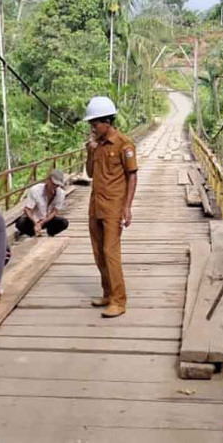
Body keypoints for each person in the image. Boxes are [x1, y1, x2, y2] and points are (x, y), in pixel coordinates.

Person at [84, 96, 138, 318]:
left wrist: (127, 207)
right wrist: (89, 151)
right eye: (92, 125)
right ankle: (107, 293)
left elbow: (132, 176)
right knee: (98, 252)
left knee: (110, 252)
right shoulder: (96, 146)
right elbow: (88, 173)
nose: (93, 128)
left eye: (95, 124)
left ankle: (119, 300)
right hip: (95, 204)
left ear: (107, 122)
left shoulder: (124, 144)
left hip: (114, 205)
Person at [15, 169, 69, 238]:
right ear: (48, 180)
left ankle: (51, 233)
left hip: (47, 220)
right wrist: (35, 222)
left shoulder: (60, 193)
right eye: (53, 184)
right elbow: (27, 209)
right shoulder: (35, 190)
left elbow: (55, 211)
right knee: (20, 223)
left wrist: (43, 222)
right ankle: (32, 232)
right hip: (34, 220)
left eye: (57, 185)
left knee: (64, 222)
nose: (54, 187)